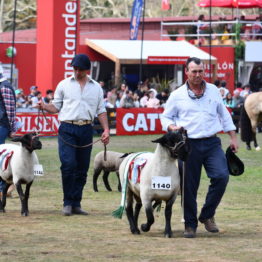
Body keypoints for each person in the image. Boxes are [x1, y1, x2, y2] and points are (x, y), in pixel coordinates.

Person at [161, 57, 238, 238]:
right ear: (186, 72)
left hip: (212, 142)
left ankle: (207, 215)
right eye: (194, 71)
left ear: (205, 71)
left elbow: (224, 114)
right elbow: (165, 117)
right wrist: (172, 127)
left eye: (200, 71)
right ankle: (190, 225)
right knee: (188, 186)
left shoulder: (213, 90)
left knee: (221, 176)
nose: (197, 74)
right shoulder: (177, 94)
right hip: (188, 145)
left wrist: (233, 137)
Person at [35, 54, 110, 216]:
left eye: (80, 69)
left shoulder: (96, 87)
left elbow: (101, 110)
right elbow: (55, 107)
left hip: (86, 129)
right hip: (67, 128)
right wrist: (44, 106)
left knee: (82, 168)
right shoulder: (63, 85)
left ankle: (76, 203)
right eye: (74, 68)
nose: (76, 72)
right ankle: (67, 202)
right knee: (69, 165)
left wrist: (106, 130)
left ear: (87, 70)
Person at [0, 64, 17, 198]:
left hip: (2, 125)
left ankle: (3, 189)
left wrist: (12, 128)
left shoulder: (4, 87)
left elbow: (10, 111)